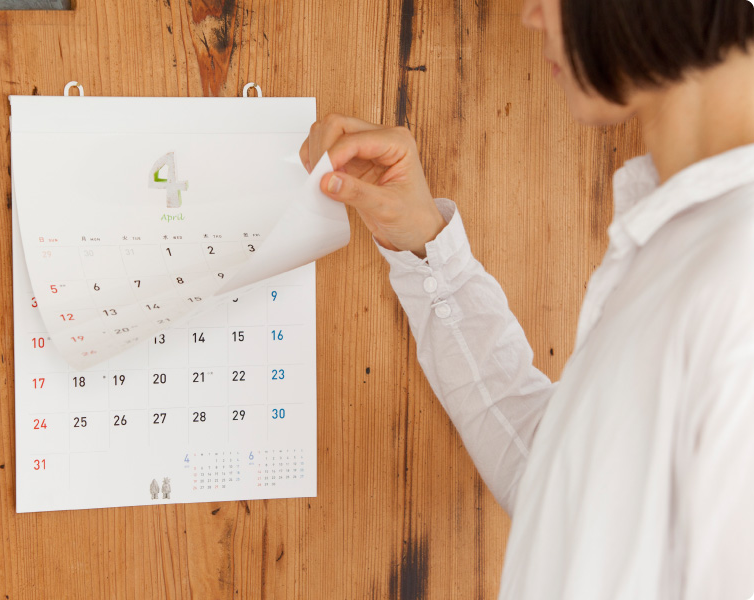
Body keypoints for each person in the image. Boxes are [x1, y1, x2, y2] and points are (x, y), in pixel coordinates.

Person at [300, 0, 754, 597]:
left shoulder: (735, 276)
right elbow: (569, 494)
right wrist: (425, 246)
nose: (532, 14)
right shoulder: (691, 246)